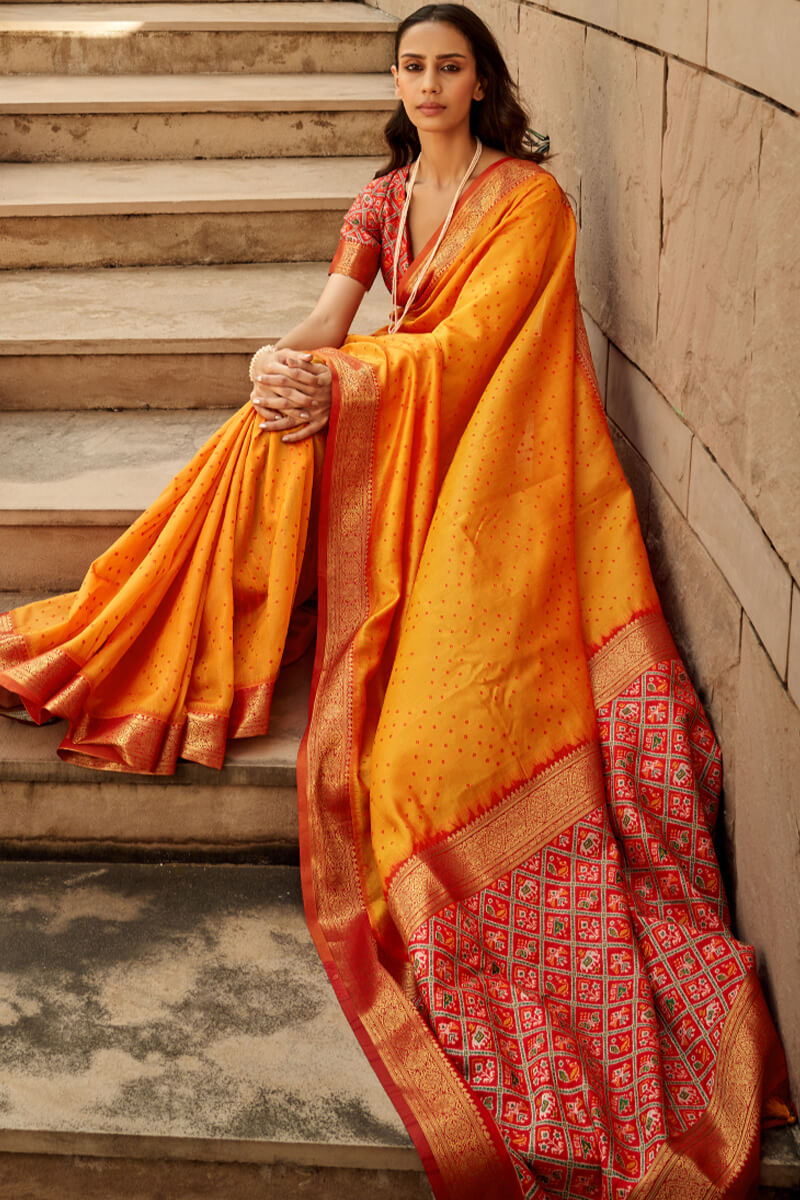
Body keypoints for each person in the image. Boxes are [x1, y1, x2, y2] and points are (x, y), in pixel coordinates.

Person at [0, 5, 793, 1195]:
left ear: (482, 82)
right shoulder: (380, 195)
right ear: (396, 78)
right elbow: (334, 315)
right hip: (403, 432)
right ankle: (150, 637)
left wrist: (347, 380)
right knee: (264, 427)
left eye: (449, 68)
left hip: (501, 463)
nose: (427, 84)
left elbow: (477, 353)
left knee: (418, 743)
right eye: (411, 66)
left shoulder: (529, 202)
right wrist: (289, 362)